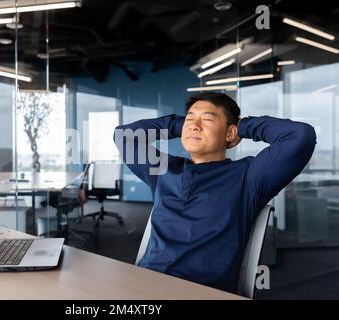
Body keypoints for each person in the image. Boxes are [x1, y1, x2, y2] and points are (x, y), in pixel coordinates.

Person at [113, 92, 317, 293]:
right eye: (190, 118)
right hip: (147, 282)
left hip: (201, 291)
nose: (194, 124)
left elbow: (300, 136)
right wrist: (180, 125)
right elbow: (124, 136)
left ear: (229, 133)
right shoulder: (164, 170)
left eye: (207, 119)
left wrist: (242, 127)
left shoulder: (249, 177)